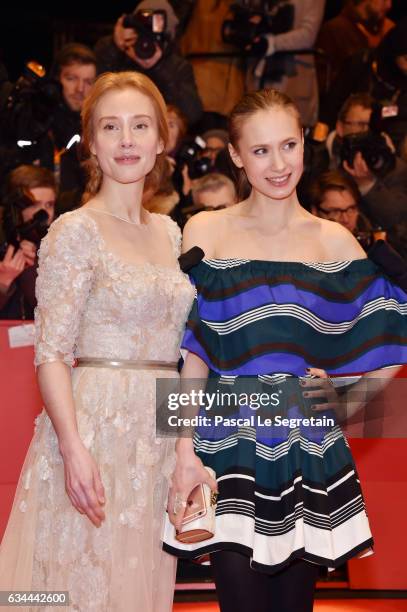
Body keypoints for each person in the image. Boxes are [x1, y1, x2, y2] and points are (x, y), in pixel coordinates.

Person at [163, 89, 407, 611]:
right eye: (260, 150)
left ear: (304, 145)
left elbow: (392, 338)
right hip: (223, 443)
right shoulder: (205, 229)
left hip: (305, 447)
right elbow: (194, 354)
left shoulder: (335, 241)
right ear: (235, 155)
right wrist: (184, 449)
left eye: (289, 145)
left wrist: (344, 404)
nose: (278, 164)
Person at [0, 71, 195, 611]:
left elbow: (182, 357)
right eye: (111, 127)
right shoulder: (74, 230)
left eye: (140, 126)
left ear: (162, 140)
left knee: (140, 586)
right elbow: (51, 352)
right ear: (91, 141)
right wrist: (72, 445)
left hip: (155, 435)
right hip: (93, 430)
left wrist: (184, 448)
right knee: (78, 586)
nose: (127, 140)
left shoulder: (171, 233)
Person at [94, 1, 203, 125]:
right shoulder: (119, 54)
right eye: (141, 32)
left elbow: (192, 115)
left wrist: (158, 67)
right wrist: (115, 45)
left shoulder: (179, 67)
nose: (146, 43)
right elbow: (96, 91)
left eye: (156, 37)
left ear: (167, 37)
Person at [0, 165, 56, 319]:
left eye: (49, 204)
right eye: (35, 204)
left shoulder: (61, 247)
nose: (44, 213)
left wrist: (30, 269)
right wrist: (3, 283)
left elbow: (54, 313)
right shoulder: (4, 246)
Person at [317, 0, 394, 91]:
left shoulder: (390, 29)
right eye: (384, 0)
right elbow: (324, 81)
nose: (389, 5)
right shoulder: (334, 30)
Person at [309, 169, 375, 250]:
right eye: (335, 211)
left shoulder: (369, 246)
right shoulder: (304, 253)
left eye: (351, 209)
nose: (346, 219)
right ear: (315, 212)